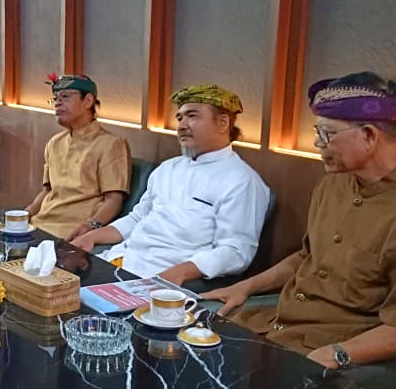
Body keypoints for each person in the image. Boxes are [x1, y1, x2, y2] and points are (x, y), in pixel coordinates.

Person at [203, 72, 396, 369]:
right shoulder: (333, 184)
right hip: (273, 324)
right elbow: (307, 257)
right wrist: (245, 287)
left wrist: (335, 355)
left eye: (326, 134)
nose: (316, 142)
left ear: (369, 136)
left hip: (325, 349)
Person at [72, 85, 270, 289]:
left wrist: (182, 272)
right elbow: (137, 218)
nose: (182, 125)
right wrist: (92, 236)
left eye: (192, 116)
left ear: (222, 123)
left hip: (164, 280)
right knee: (57, 284)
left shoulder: (242, 181)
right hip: (121, 260)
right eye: (180, 118)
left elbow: (236, 251)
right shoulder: (168, 168)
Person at [24, 73, 130, 240]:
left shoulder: (111, 144)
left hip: (72, 231)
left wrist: (91, 225)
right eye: (55, 98)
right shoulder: (54, 143)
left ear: (88, 101)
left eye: (65, 97)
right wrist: (26, 213)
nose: (57, 103)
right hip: (39, 224)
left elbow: (114, 199)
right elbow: (48, 190)